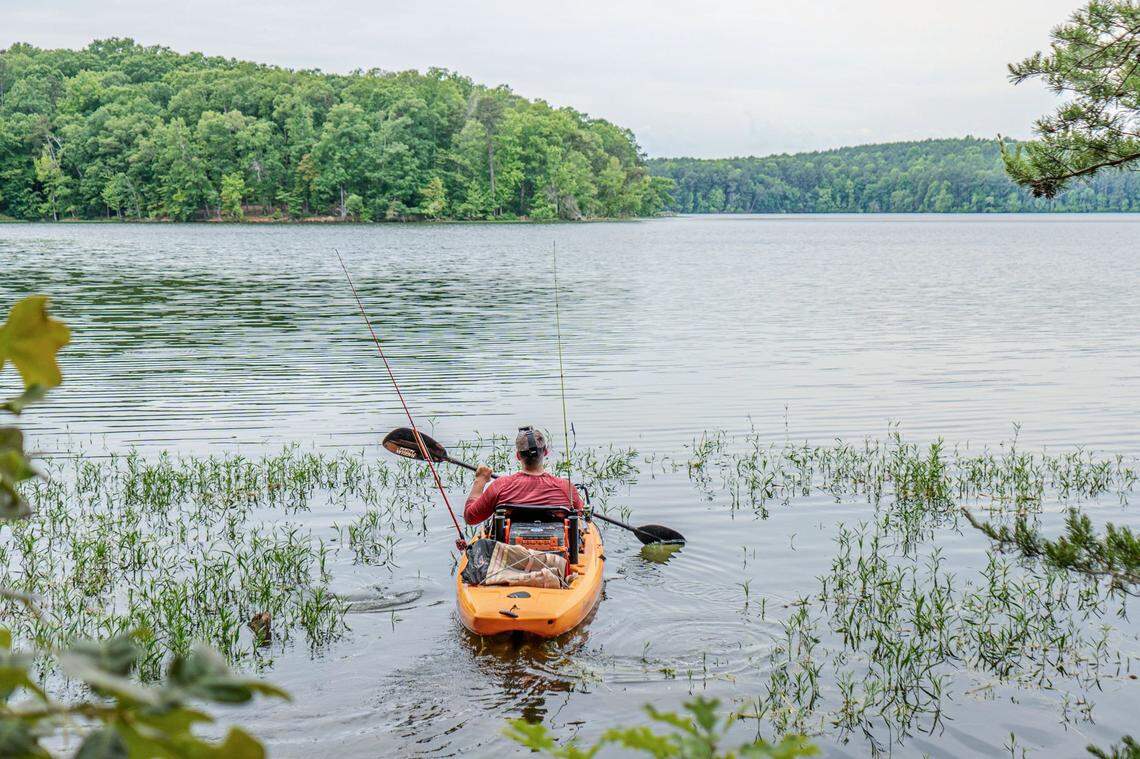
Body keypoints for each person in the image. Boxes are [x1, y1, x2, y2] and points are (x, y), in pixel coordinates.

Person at [464, 426, 584, 525]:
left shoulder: (501, 486)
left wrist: (480, 481)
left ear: (518, 456)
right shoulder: (566, 488)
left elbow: (470, 518)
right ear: (546, 452)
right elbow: (580, 514)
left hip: (509, 552)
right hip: (557, 553)